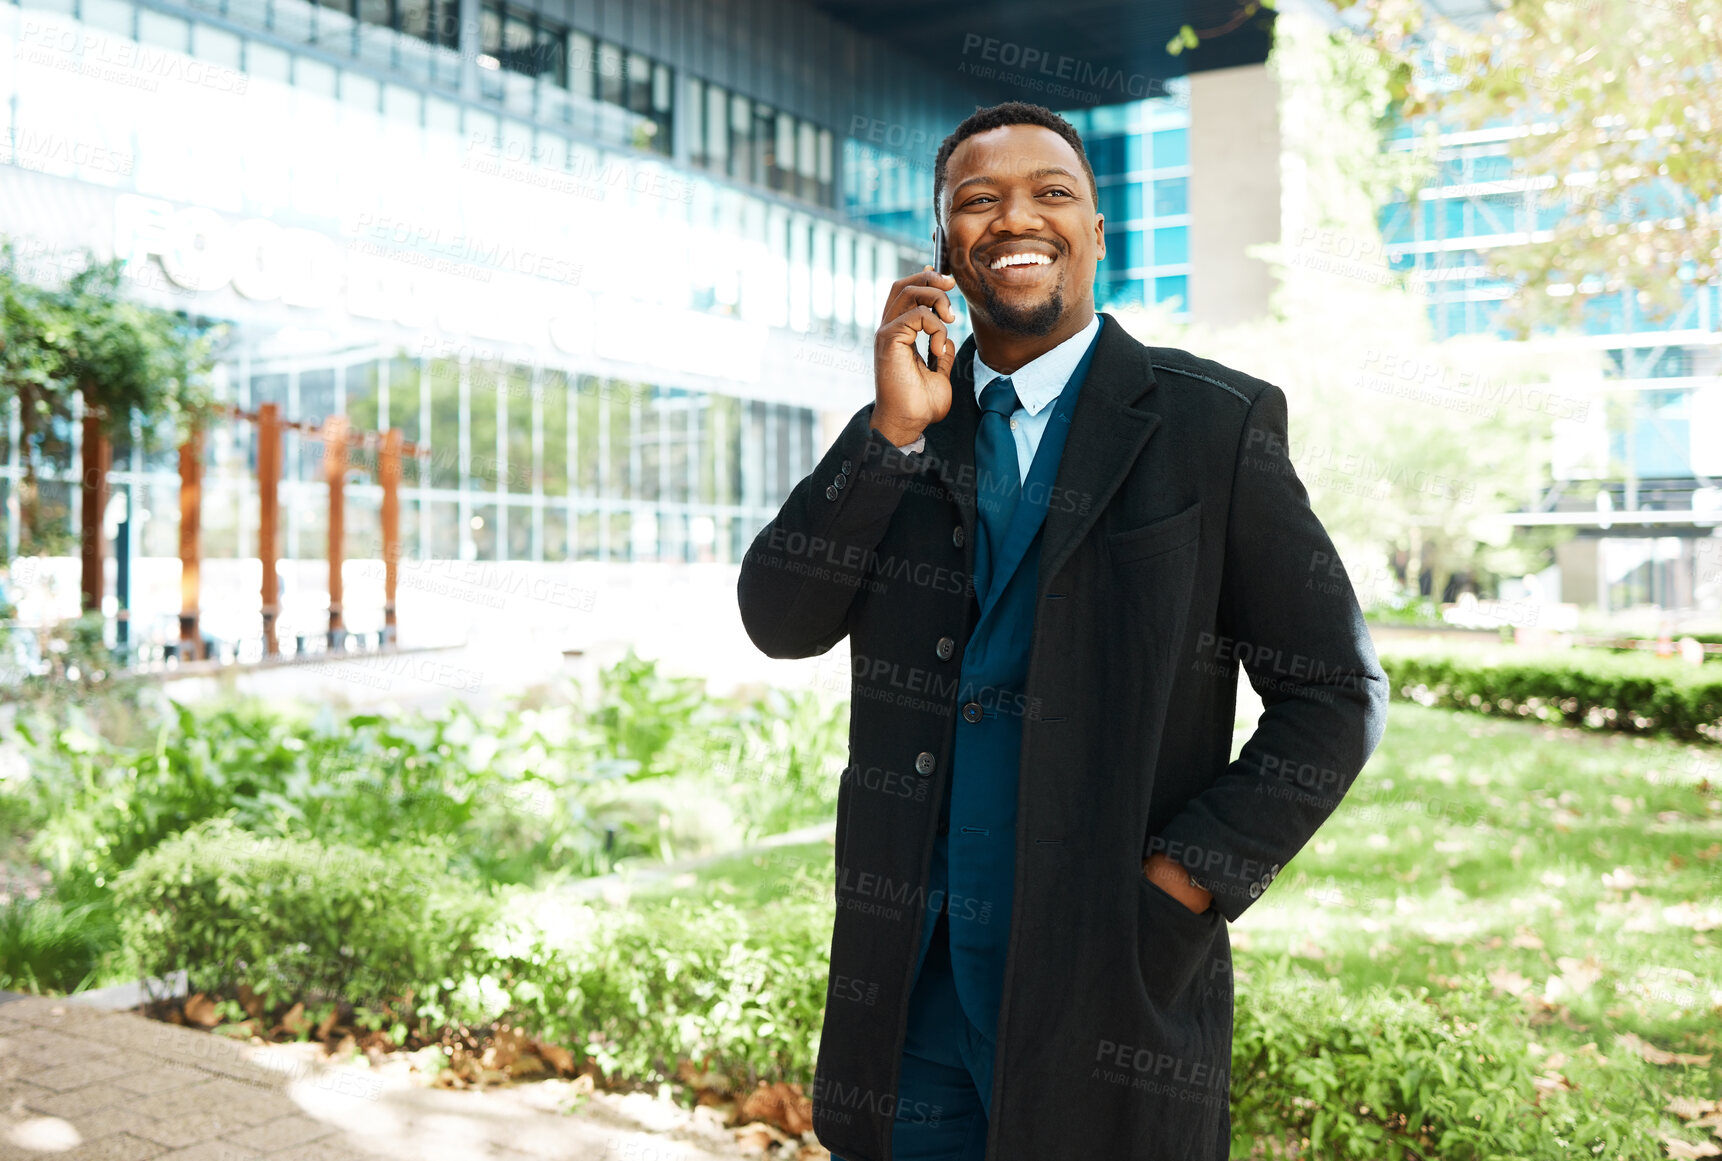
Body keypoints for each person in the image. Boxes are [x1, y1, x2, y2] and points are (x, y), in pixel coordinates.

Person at [736, 100, 1388, 1161]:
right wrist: (889, 433)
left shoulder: (1212, 424)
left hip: (1111, 982)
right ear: (947, 246)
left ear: (1094, 231)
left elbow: (1335, 693)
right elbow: (779, 619)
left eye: (1052, 193)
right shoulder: (908, 427)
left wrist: (1188, 880)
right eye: (977, 201)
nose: (1014, 218)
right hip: (918, 988)